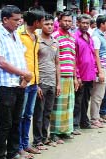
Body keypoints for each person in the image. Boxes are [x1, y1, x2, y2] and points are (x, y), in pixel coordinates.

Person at [0, 5, 32, 159]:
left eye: (19, 19)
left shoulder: (15, 34)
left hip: (19, 83)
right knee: (5, 123)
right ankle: (0, 158)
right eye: (15, 20)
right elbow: (2, 62)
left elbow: (20, 56)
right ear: (5, 19)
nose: (19, 22)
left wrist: (24, 77)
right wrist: (24, 74)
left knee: (17, 120)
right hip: (6, 85)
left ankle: (12, 153)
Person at [17, 10, 44, 157]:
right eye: (42, 20)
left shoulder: (36, 36)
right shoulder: (20, 35)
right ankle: (18, 146)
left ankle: (25, 144)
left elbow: (35, 59)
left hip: (34, 81)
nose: (43, 23)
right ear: (36, 22)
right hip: (24, 81)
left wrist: (37, 82)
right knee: (20, 116)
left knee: (28, 115)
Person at [32, 14, 60, 149]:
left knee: (48, 112)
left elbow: (57, 64)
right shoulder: (37, 41)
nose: (49, 27)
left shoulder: (55, 42)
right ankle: (37, 140)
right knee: (39, 112)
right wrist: (36, 84)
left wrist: (58, 83)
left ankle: (45, 137)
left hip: (52, 82)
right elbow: (34, 62)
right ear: (41, 25)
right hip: (41, 81)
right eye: (46, 24)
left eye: (51, 25)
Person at [50, 11, 78, 144]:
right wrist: (57, 81)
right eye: (65, 21)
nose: (67, 23)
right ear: (59, 21)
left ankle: (66, 131)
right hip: (59, 77)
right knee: (58, 106)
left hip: (70, 76)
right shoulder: (55, 36)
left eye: (69, 21)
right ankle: (55, 133)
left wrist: (75, 77)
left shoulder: (72, 37)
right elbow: (55, 60)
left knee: (68, 105)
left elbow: (73, 58)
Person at [73, 14, 99, 132]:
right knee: (78, 101)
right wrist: (77, 76)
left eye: (87, 23)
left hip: (90, 74)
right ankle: (75, 124)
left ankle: (84, 122)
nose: (85, 25)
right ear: (78, 23)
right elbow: (75, 58)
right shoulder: (75, 37)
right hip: (81, 75)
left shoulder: (89, 36)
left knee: (85, 100)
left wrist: (95, 72)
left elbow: (93, 56)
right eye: (83, 23)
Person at [91, 15, 106, 124]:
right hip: (101, 68)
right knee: (97, 94)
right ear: (102, 24)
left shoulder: (101, 35)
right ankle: (94, 118)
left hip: (104, 67)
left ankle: (97, 116)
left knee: (101, 93)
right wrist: (100, 71)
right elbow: (96, 55)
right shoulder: (96, 37)